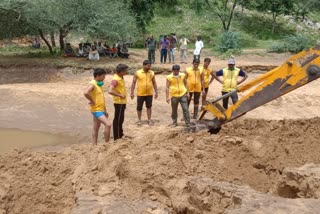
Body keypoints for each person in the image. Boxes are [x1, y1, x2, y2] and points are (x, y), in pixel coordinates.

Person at [83, 68, 112, 145]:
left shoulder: (99, 84)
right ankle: (107, 144)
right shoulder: (93, 83)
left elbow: (101, 98)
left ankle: (94, 145)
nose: (104, 78)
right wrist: (92, 100)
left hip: (101, 109)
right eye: (103, 76)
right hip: (96, 110)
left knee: (96, 127)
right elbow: (86, 92)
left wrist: (105, 110)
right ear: (98, 76)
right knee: (108, 125)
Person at [130, 60, 158, 126]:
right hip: (140, 93)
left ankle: (149, 120)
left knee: (149, 107)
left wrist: (156, 92)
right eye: (148, 66)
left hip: (149, 93)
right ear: (144, 65)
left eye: (150, 66)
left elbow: (154, 83)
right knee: (139, 107)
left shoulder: (152, 73)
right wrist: (132, 92)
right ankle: (139, 120)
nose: (149, 67)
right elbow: (133, 83)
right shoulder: (137, 73)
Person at [109, 64, 128, 141]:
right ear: (121, 72)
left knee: (121, 119)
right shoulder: (115, 79)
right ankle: (116, 137)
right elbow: (110, 91)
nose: (127, 72)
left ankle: (120, 134)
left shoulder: (120, 77)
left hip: (122, 102)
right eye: (125, 71)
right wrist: (119, 95)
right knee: (118, 119)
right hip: (118, 102)